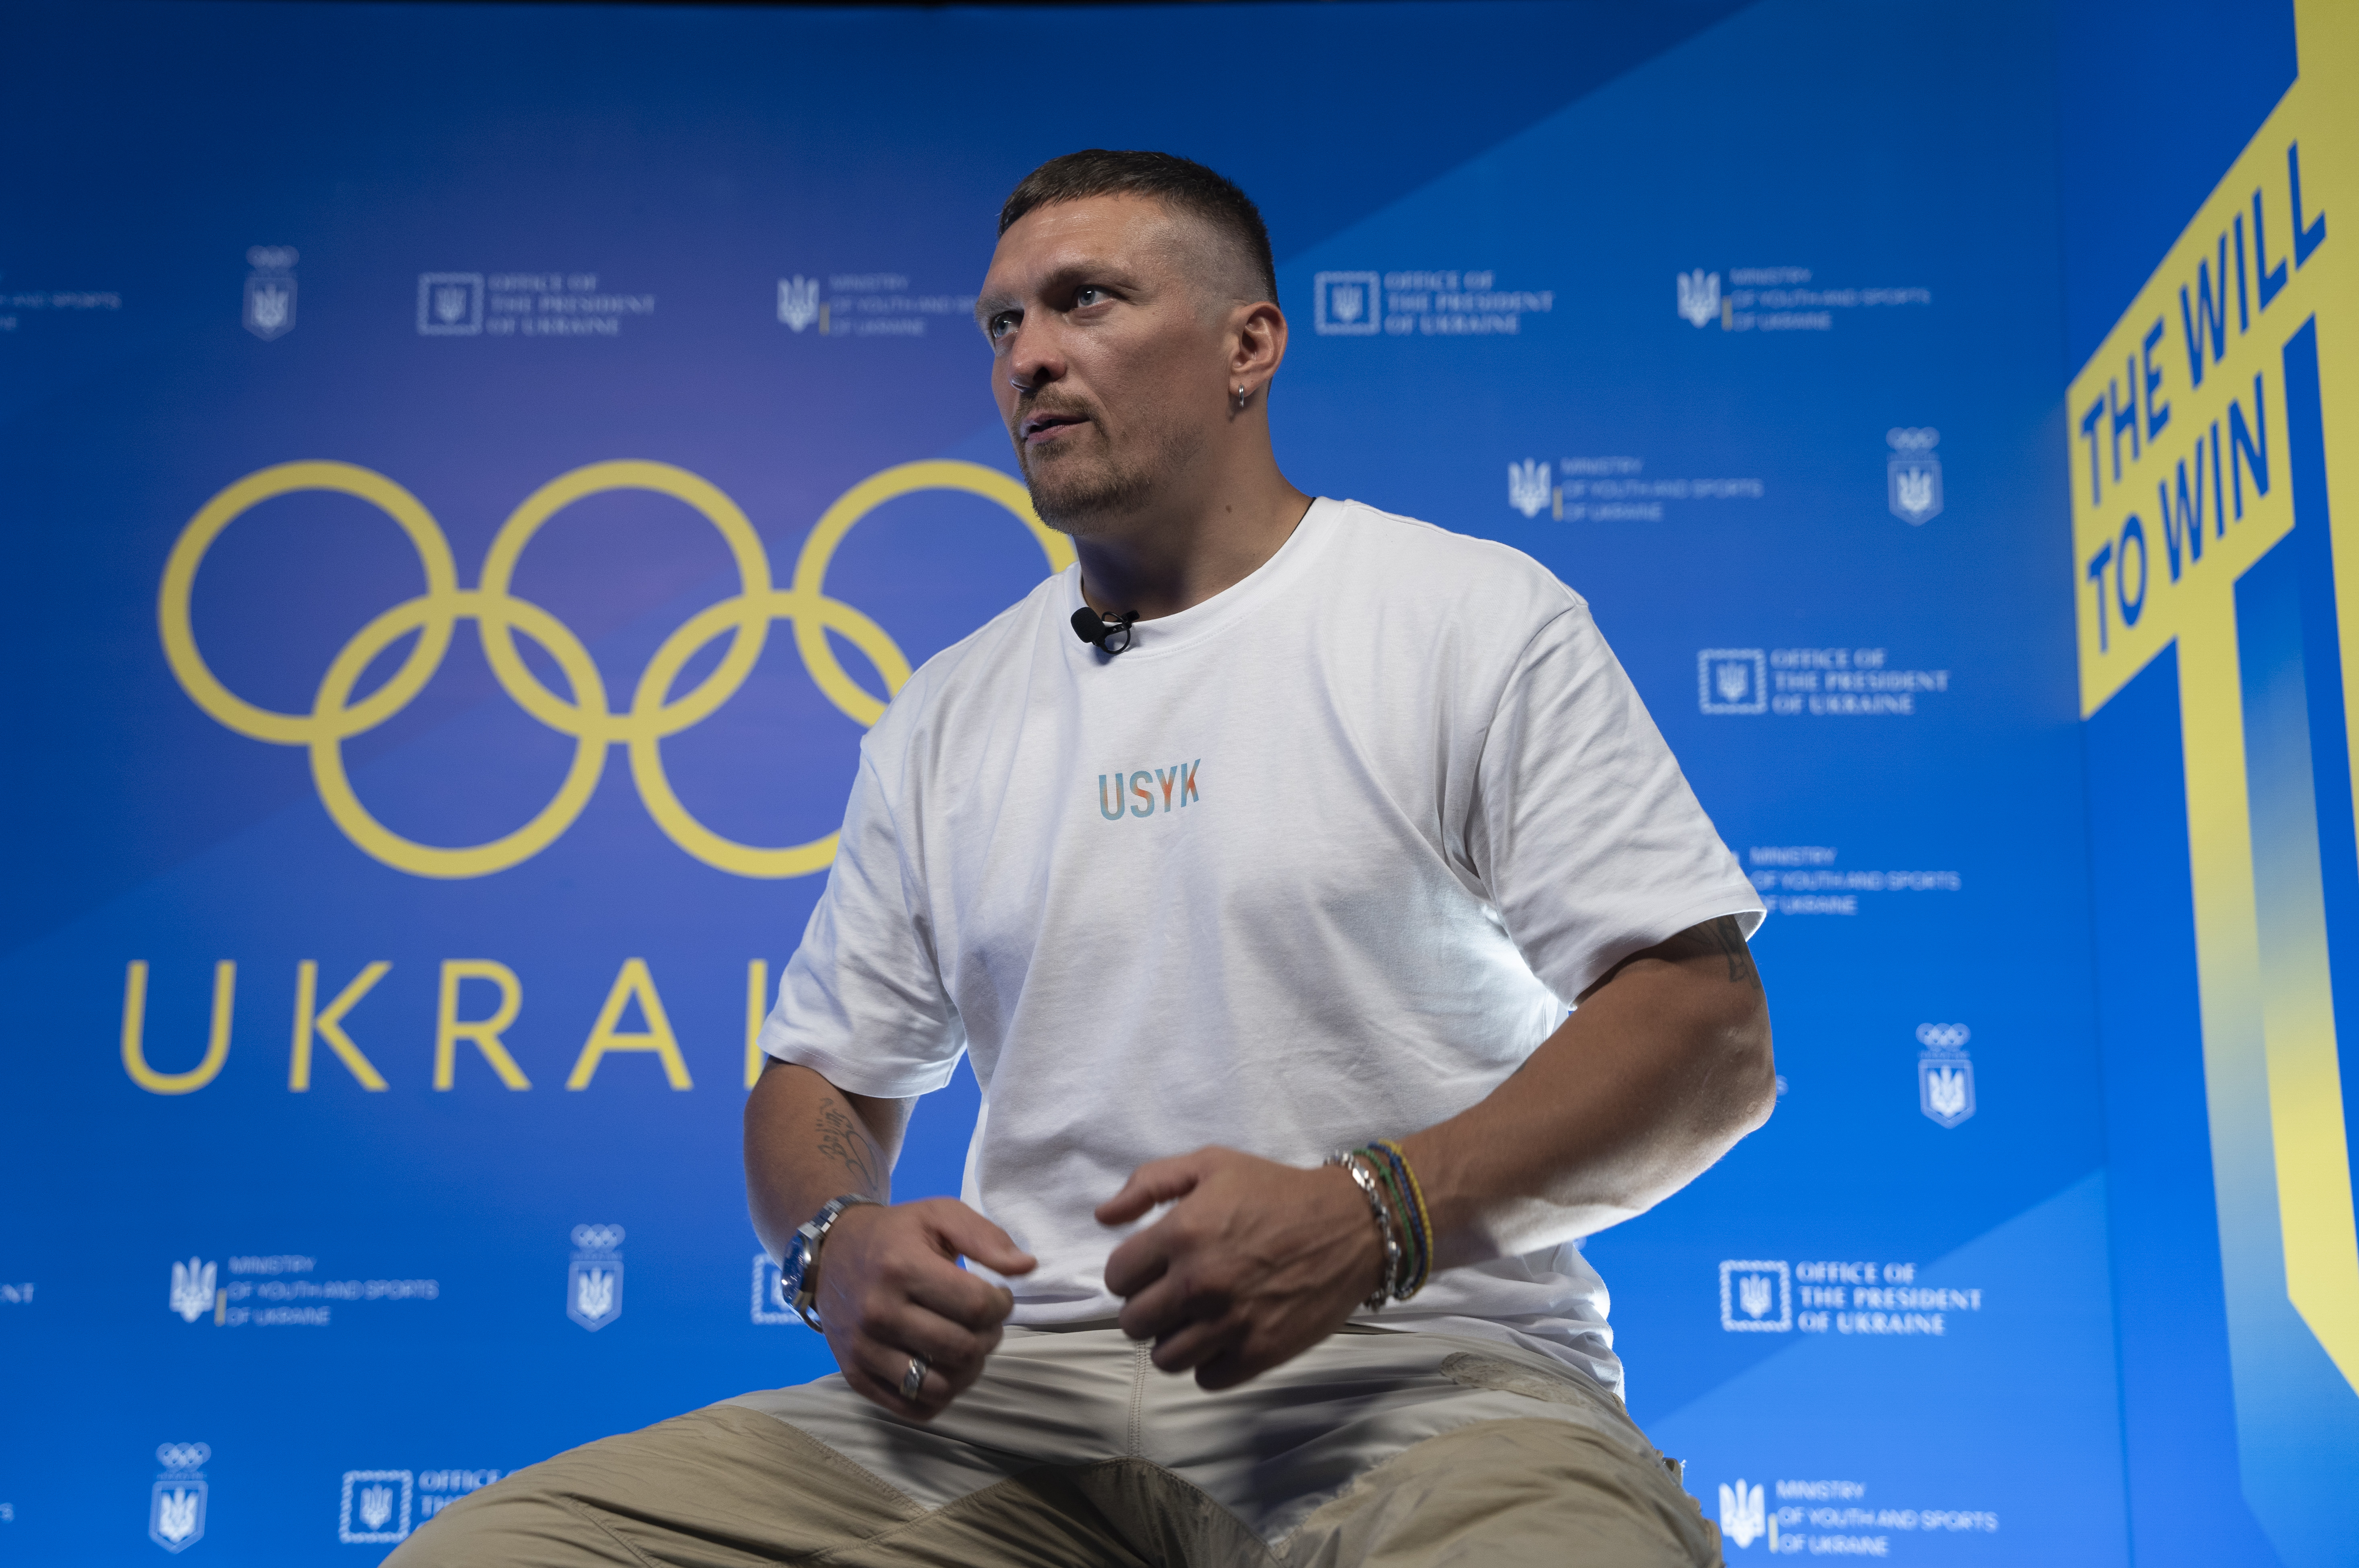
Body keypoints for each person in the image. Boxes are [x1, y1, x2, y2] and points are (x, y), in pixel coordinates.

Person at [397, 148, 1772, 1568]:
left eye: (1087, 303)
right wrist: (834, 1243)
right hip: (1014, 1406)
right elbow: (820, 1078)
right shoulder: (947, 710)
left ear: (1251, 346)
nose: (1031, 359)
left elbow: (1711, 1035)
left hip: (1421, 1373)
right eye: (1003, 326)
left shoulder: (1465, 617)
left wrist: (1377, 1214)